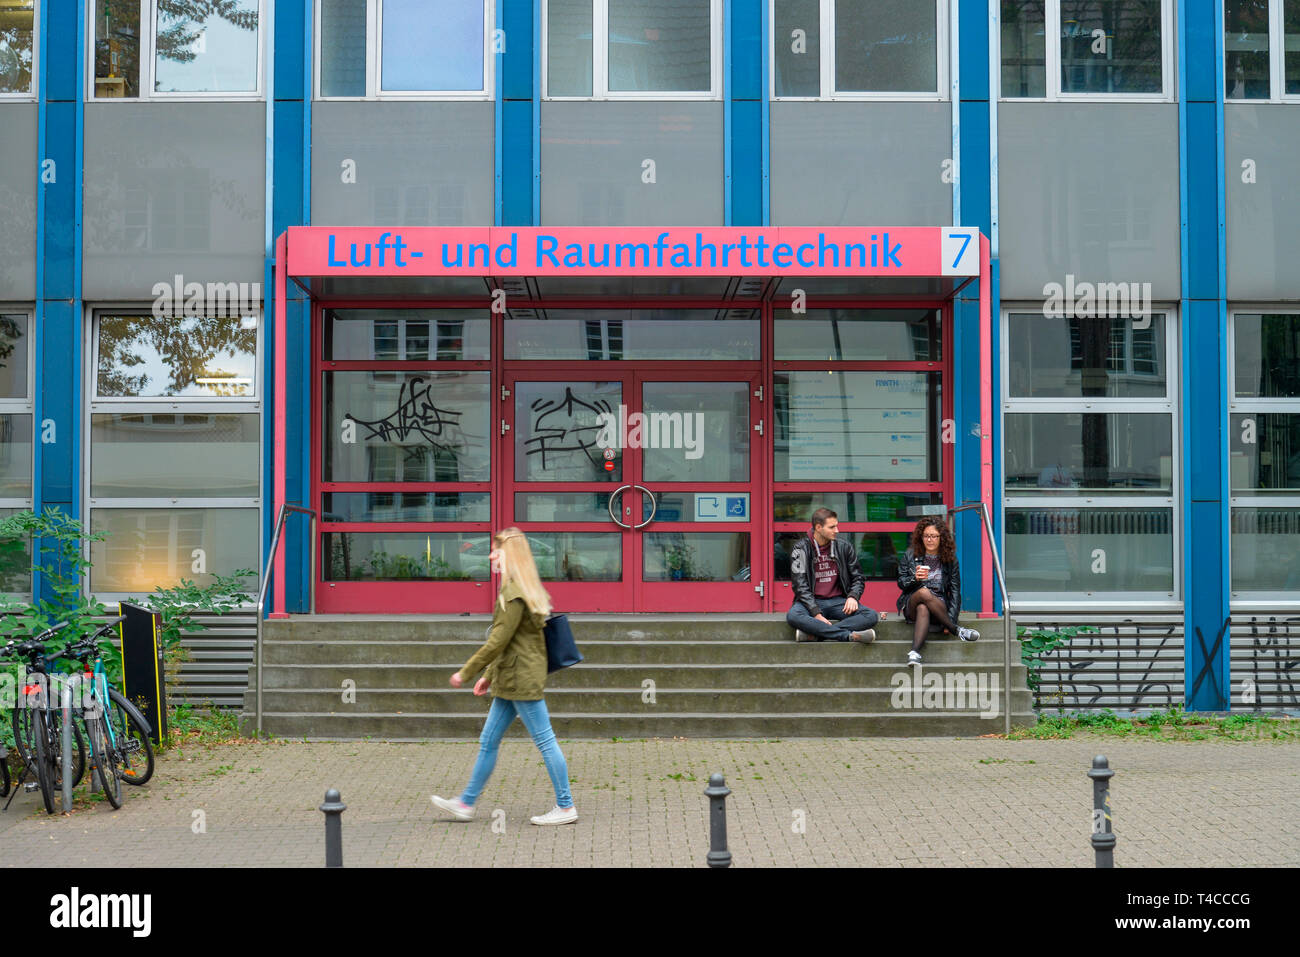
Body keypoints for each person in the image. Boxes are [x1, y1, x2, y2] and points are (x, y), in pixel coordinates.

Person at [431, 528, 576, 826]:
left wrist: (466, 672)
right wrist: (489, 676)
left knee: (545, 740)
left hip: (521, 678)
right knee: (489, 740)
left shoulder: (512, 593)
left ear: (508, 555)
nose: (490, 555)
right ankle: (466, 803)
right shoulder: (524, 587)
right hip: (513, 676)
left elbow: (498, 641)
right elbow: (511, 643)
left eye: (495, 550)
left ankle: (565, 806)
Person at [786, 507, 879, 643]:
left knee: (870, 615)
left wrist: (853, 596)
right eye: (832, 527)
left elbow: (858, 577)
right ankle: (847, 636)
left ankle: (817, 635)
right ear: (818, 527)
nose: (837, 530)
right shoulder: (800, 549)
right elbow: (799, 585)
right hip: (811, 602)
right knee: (793, 615)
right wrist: (815, 612)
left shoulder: (844, 547)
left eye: (837, 526)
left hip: (838, 602)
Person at [896, 517, 979, 665]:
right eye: (926, 536)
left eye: (934, 536)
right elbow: (901, 583)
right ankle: (957, 631)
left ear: (942, 538)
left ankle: (914, 652)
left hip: (938, 607)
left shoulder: (950, 559)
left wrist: (951, 618)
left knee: (924, 607)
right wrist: (915, 578)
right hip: (912, 605)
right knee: (923, 594)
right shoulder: (910, 555)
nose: (929, 540)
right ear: (921, 537)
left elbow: (955, 591)